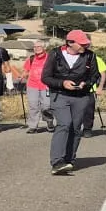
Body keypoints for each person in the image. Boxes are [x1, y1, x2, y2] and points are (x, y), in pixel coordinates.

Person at [42, 30, 101, 174]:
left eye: (86, 43)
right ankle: (57, 162)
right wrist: (62, 83)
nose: (85, 45)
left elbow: (94, 76)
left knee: (75, 128)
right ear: (70, 43)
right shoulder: (55, 54)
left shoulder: (90, 56)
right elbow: (46, 78)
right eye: (82, 43)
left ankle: (69, 160)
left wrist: (85, 84)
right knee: (64, 124)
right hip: (59, 95)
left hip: (81, 96)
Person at [21, 38, 53, 134]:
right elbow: (25, 70)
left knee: (46, 106)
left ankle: (49, 121)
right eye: (34, 47)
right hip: (32, 85)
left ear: (44, 48)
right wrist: (23, 75)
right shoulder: (31, 59)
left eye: (38, 46)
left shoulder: (50, 58)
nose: (36, 48)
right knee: (33, 105)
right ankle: (33, 126)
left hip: (46, 85)